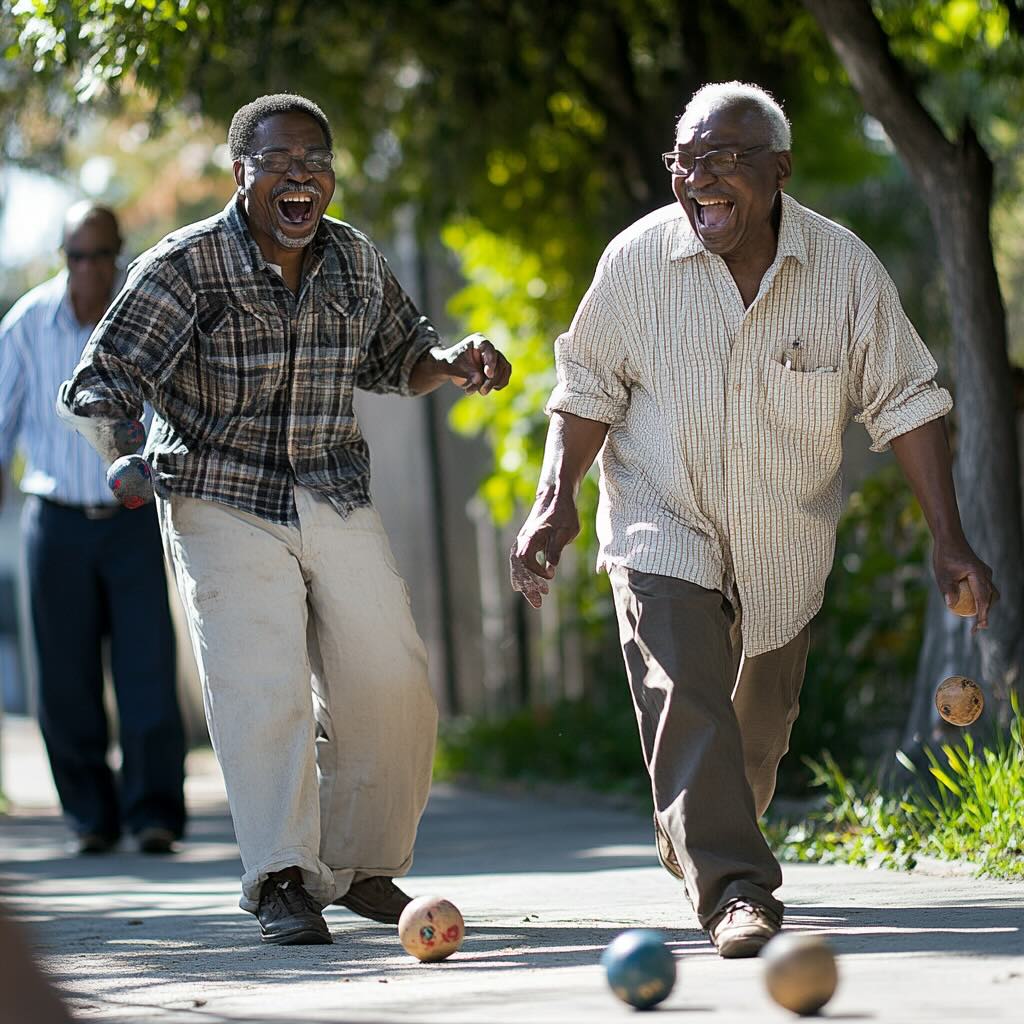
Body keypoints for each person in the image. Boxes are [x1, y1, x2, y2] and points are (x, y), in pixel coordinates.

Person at [509, 81, 997, 958]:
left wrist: (949, 539)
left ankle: (701, 826)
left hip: (785, 547)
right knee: (686, 691)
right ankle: (737, 889)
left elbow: (908, 400)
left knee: (753, 746)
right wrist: (555, 503)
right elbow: (585, 389)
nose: (698, 178)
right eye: (685, 161)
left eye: (723, 159)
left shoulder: (843, 270)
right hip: (662, 517)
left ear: (779, 171)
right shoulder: (634, 263)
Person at [59, 93, 511, 946]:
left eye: (317, 162)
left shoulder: (351, 260)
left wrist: (449, 363)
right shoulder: (187, 265)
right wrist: (122, 451)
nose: (302, 176)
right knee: (261, 685)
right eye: (281, 162)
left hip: (330, 485)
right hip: (217, 489)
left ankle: (361, 865)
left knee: (394, 678)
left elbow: (399, 355)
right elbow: (102, 379)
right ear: (243, 174)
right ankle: (280, 877)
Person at [0, 203, 186, 856]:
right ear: (63, 258)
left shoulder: (144, 321)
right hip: (55, 524)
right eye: (79, 256)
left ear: (118, 257)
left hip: (132, 520)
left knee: (147, 670)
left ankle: (152, 814)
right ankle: (90, 817)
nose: (91, 269)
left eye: (103, 255)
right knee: (65, 679)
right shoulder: (25, 326)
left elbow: (173, 408)